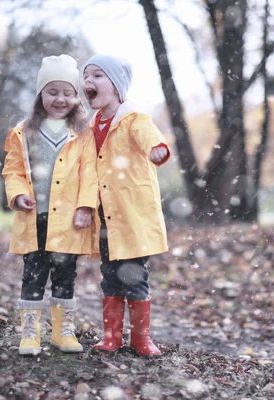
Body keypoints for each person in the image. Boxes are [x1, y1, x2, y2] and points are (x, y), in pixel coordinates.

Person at [2, 54, 98, 356]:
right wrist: (17, 194)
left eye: (67, 92)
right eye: (52, 92)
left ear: (76, 96)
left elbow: (90, 172)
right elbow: (13, 169)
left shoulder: (83, 133)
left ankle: (62, 332)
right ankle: (30, 333)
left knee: (65, 274)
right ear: (40, 94)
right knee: (33, 274)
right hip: (35, 218)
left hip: (68, 220)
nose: (60, 99)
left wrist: (85, 206)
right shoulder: (24, 131)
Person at [82, 54, 170, 357]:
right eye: (86, 76)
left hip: (132, 214)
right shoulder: (89, 125)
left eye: (97, 76)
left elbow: (148, 137)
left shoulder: (133, 119)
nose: (88, 82)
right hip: (105, 215)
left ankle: (141, 338)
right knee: (110, 275)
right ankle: (111, 336)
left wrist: (157, 149)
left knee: (135, 275)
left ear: (117, 87)